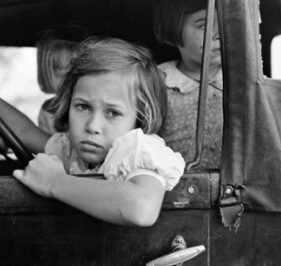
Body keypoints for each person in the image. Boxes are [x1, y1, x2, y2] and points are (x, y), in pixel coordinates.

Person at [11, 37, 186, 226]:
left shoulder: (135, 149)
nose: (92, 126)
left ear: (140, 117)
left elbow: (141, 209)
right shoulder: (70, 148)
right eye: (83, 107)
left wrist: (54, 182)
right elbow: (23, 130)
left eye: (113, 113)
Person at [153, 0, 223, 169]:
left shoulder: (244, 80)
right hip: (175, 187)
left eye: (224, 23)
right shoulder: (156, 81)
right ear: (174, 30)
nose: (219, 33)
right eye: (204, 26)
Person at [36, 25, 89, 134]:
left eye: (74, 68)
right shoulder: (48, 111)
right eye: (59, 68)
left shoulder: (97, 105)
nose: (68, 76)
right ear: (46, 72)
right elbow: (44, 146)